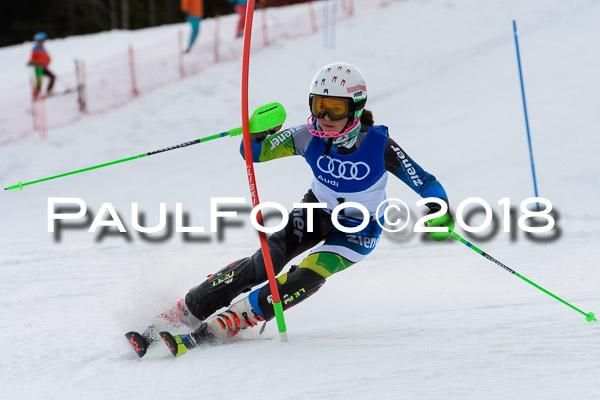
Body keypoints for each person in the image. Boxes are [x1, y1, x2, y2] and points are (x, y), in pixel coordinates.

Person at [126, 62, 454, 356]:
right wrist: (256, 134)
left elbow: (425, 182)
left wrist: (439, 210)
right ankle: (184, 311)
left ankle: (228, 323)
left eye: (335, 109)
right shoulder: (306, 135)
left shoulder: (378, 144)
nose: (324, 117)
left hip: (359, 231)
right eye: (319, 105)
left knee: (308, 275)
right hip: (314, 212)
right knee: (265, 261)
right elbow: (255, 154)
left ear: (355, 108)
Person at [28, 32, 55, 99]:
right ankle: (36, 95)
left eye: (43, 41)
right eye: (41, 41)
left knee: (52, 77)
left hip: (44, 68)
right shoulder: (35, 49)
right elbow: (32, 60)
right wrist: (38, 62)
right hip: (39, 68)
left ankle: (48, 92)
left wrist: (47, 62)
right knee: (39, 82)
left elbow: (47, 58)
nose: (43, 42)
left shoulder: (42, 49)